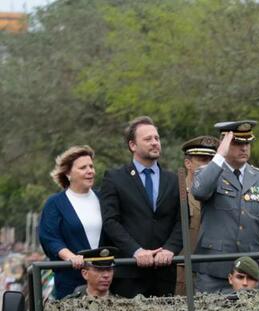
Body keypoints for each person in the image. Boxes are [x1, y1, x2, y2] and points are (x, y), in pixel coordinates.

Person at [190, 121, 259, 292]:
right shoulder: (209, 172)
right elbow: (200, 191)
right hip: (213, 271)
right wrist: (219, 156)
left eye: (247, 143)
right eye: (237, 143)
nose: (244, 148)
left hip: (247, 271)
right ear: (225, 144)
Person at [99, 116, 181, 297]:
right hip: (129, 272)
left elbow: (182, 220)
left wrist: (170, 249)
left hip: (164, 272)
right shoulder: (114, 178)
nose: (154, 143)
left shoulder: (173, 180)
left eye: (157, 138)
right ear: (132, 145)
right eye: (148, 139)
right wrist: (136, 251)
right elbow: (111, 221)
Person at [38, 145, 102, 299]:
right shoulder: (55, 203)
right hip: (71, 281)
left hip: (104, 282)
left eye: (91, 166)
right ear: (68, 173)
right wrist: (70, 257)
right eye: (83, 167)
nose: (90, 171)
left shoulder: (104, 199)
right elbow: (50, 238)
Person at [176, 136, 218, 294]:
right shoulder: (176, 192)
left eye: (211, 160)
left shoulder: (221, 193)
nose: (208, 165)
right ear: (188, 163)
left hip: (214, 272)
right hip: (183, 272)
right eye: (202, 160)